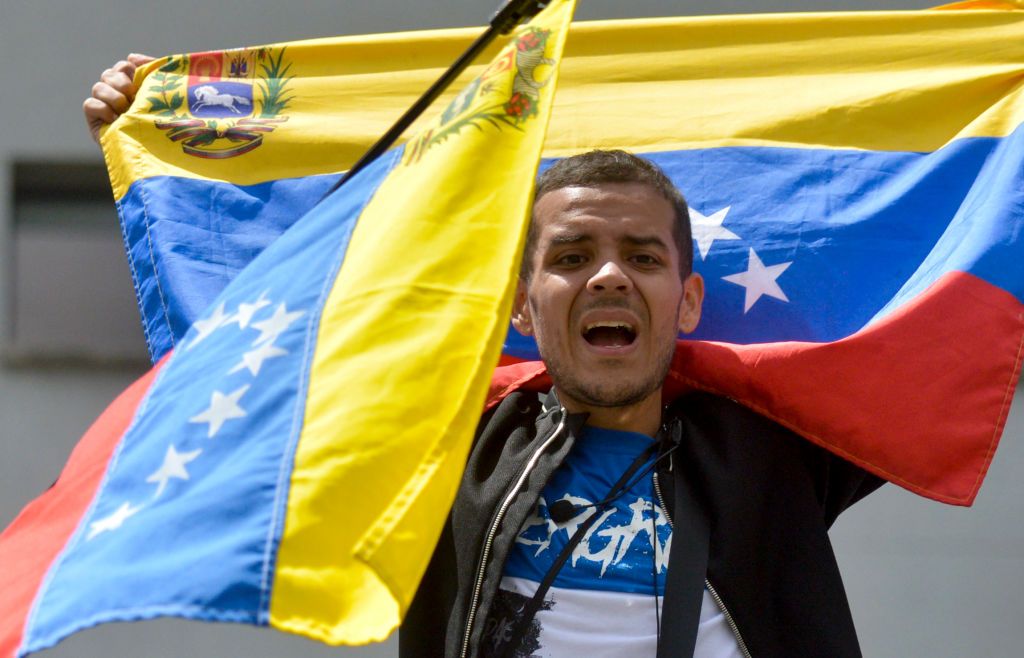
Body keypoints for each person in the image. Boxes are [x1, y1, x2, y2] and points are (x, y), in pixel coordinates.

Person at [85, 69, 883, 658]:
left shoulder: (775, 448)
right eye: (572, 255)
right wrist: (154, 146)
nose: (608, 276)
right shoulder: (443, 449)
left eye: (642, 256)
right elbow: (272, 341)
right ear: (521, 307)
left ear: (688, 302)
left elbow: (935, 351)